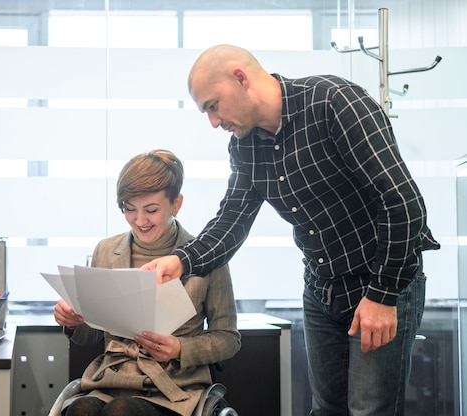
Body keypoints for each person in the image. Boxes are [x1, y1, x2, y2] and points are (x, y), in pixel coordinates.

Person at [141, 45, 440, 416]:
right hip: (322, 287)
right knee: (326, 409)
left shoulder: (334, 103)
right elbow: (230, 222)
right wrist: (180, 261)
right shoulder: (245, 146)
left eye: (213, 105)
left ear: (241, 78)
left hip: (380, 280)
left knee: (370, 410)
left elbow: (403, 203)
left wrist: (383, 295)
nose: (214, 122)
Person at [53, 149, 241, 416]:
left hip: (175, 387)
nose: (139, 221)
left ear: (176, 204)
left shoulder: (206, 258)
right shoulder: (106, 251)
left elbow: (228, 339)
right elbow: (90, 335)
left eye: (151, 210)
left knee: (121, 412)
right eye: (129, 210)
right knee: (81, 409)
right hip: (111, 381)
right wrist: (72, 319)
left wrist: (179, 348)